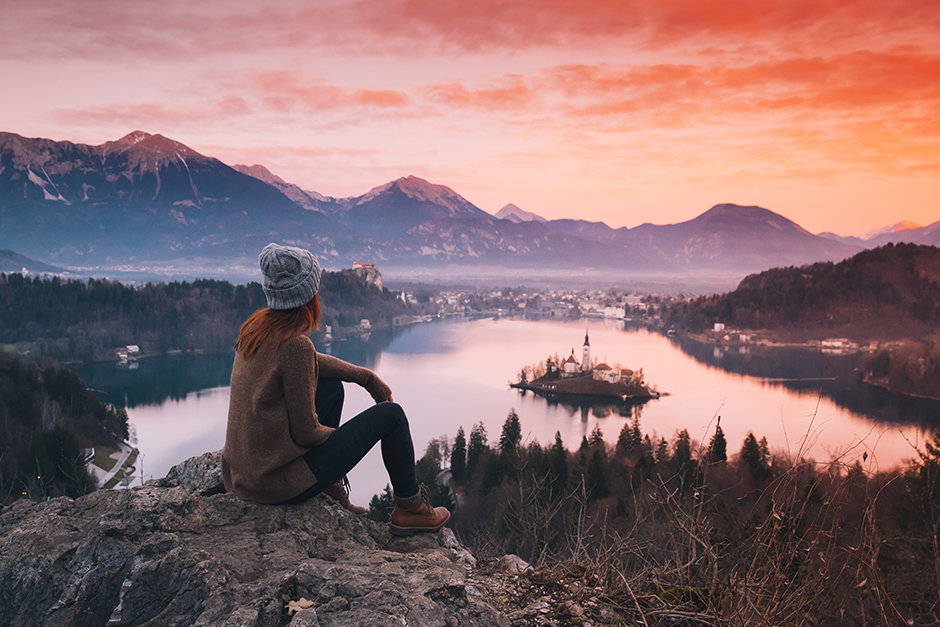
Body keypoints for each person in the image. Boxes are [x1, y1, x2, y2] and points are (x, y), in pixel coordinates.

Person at [221, 243, 450, 535]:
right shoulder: (294, 345)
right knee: (391, 415)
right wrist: (347, 442)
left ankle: (328, 487)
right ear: (307, 295)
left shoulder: (255, 329)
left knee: (331, 387)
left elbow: (312, 363)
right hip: (274, 484)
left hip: (243, 476)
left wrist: (365, 377)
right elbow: (307, 433)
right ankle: (410, 508)